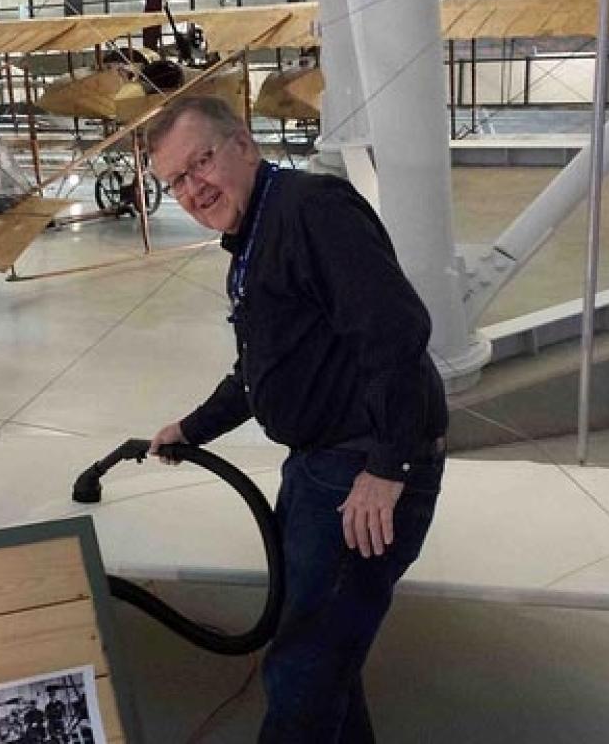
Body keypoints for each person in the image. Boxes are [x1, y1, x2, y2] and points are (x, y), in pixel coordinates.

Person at [145, 96, 448, 743]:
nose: (194, 187)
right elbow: (263, 371)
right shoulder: (255, 239)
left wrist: (387, 466)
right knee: (323, 654)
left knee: (303, 667)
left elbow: (397, 330)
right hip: (321, 466)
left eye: (200, 161)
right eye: (175, 180)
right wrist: (190, 429)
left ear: (243, 145)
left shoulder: (311, 209)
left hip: (358, 466)